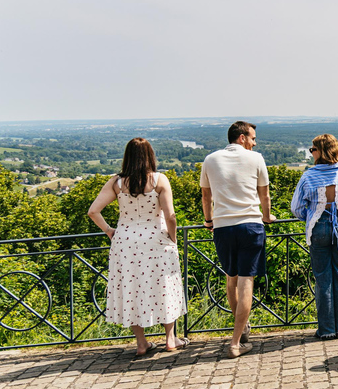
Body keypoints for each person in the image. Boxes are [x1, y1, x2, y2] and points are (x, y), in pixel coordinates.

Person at [88, 138, 188, 356]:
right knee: (164, 286)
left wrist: (109, 231)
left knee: (130, 288)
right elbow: (170, 215)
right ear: (150, 155)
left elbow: (93, 211)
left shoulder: (117, 183)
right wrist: (173, 238)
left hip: (125, 243)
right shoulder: (160, 180)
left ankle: (141, 343)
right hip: (156, 240)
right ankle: (170, 339)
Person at [200, 121, 276, 358]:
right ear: (242, 137)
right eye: (253, 138)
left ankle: (242, 331)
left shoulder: (210, 159)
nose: (255, 142)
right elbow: (264, 195)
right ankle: (235, 343)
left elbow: (205, 195)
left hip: (222, 227)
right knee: (246, 282)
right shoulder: (256, 159)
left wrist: (208, 220)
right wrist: (267, 216)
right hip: (251, 226)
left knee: (231, 279)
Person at [290, 134, 338, 340]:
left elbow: (296, 208)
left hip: (318, 228)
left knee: (322, 279)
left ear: (321, 152)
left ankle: (326, 329)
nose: (311, 153)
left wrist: (312, 217)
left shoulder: (308, 176)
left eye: (313, 149)